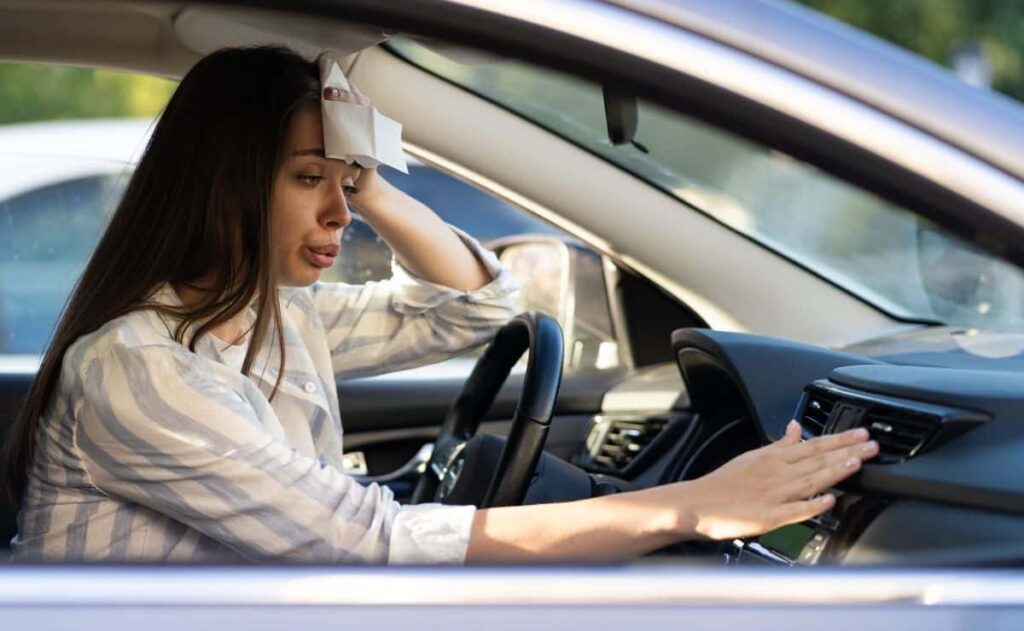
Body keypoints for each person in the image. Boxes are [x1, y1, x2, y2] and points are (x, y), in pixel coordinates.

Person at [1, 46, 877, 564]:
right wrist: (690, 507)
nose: (340, 212)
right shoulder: (139, 366)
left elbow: (473, 307)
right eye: (310, 179)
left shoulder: (271, 317)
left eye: (345, 184)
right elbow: (364, 542)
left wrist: (367, 177)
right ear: (223, 185)